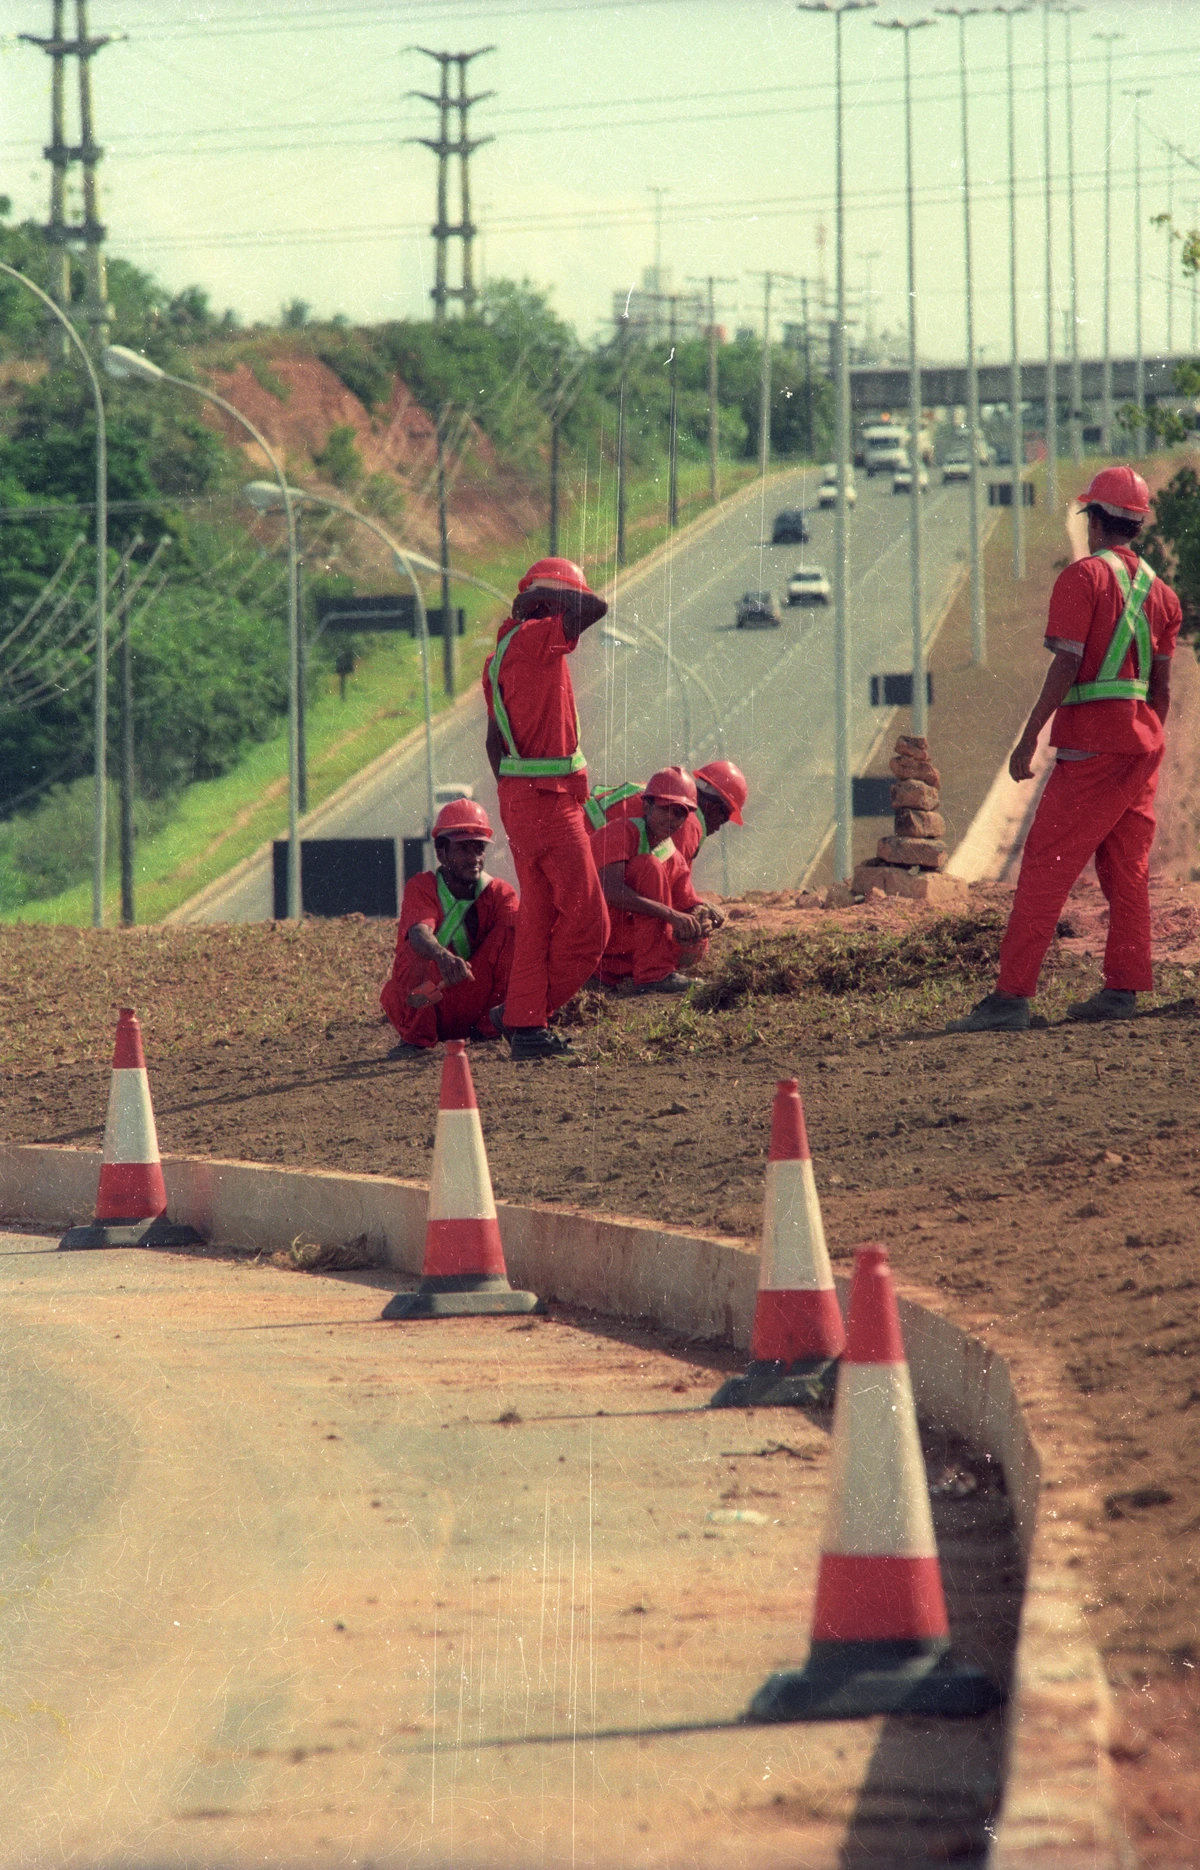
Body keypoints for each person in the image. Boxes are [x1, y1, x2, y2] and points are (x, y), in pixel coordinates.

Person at [951, 466, 1182, 1033]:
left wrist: (1031, 735)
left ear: (1094, 519)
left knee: (1045, 867)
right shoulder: (1164, 595)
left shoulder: (1082, 579)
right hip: (1141, 745)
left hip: (1092, 748)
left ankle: (1010, 998)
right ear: (1136, 524)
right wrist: (1146, 742)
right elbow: (1161, 688)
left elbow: (1068, 663)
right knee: (1126, 870)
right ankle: (1123, 988)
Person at [483, 557, 610, 1062]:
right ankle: (522, 1014)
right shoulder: (538, 638)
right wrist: (551, 598)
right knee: (588, 925)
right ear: (550, 606)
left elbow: (494, 744)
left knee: (538, 920)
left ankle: (525, 1022)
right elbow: (595, 608)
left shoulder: (498, 656)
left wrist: (519, 797)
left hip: (522, 800)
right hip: (548, 802)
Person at [380, 799, 518, 1057]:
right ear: (441, 853)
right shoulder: (422, 887)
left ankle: (490, 1029)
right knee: (415, 950)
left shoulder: (499, 893)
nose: (474, 858)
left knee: (515, 932)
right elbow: (419, 932)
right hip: (428, 1002)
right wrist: (442, 956)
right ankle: (417, 1039)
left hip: (476, 1004)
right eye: (464, 849)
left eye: (478, 849)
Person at [584, 758, 749, 932]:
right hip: (588, 878)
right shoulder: (688, 823)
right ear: (713, 808)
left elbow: (677, 877)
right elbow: (666, 886)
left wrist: (696, 903)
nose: (718, 828)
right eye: (723, 818)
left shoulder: (664, 793)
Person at [589, 767, 712, 992]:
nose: (671, 819)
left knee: (698, 943)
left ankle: (624, 972)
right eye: (665, 809)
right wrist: (671, 915)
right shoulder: (620, 832)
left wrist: (704, 916)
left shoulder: (672, 855)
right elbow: (612, 890)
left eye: (680, 813)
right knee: (648, 868)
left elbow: (687, 901)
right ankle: (653, 975)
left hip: (616, 941)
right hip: (588, 934)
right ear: (646, 806)